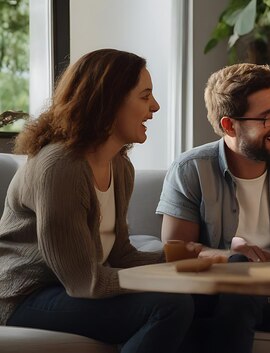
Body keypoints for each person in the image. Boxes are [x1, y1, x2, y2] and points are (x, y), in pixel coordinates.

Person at [0, 49, 199, 353]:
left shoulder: (119, 166)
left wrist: (185, 262)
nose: (155, 106)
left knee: (208, 297)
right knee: (170, 305)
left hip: (70, 288)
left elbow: (118, 255)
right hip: (26, 296)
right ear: (109, 101)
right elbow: (85, 282)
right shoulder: (60, 168)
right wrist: (168, 275)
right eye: (145, 96)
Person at [156, 63, 270, 353]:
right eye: (267, 117)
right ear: (229, 125)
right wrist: (229, 256)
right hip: (224, 295)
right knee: (241, 273)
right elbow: (175, 251)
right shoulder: (191, 169)